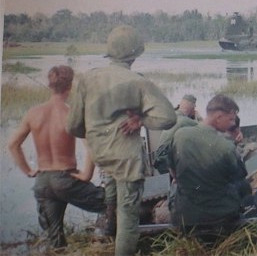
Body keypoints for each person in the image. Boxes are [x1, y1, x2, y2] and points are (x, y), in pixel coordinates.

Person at [66, 25, 177, 256]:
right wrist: (142, 120)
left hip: (100, 155)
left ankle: (108, 234)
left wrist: (98, 133)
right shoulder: (138, 81)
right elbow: (168, 118)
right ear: (135, 54)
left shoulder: (87, 79)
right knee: (128, 215)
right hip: (126, 160)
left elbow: (74, 126)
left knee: (111, 193)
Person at [8, 65, 106, 249]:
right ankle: (110, 239)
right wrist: (86, 175)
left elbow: (13, 145)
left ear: (50, 85)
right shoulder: (71, 114)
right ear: (70, 86)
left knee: (55, 240)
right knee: (110, 203)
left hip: (43, 181)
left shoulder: (33, 113)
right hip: (66, 179)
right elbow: (91, 147)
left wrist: (28, 171)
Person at [169, 94, 245, 231]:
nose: (233, 124)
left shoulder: (180, 135)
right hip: (220, 218)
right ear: (219, 117)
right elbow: (239, 178)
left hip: (184, 217)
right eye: (231, 119)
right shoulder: (227, 147)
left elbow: (172, 169)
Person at [154, 94, 199, 174]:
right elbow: (204, 129)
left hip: (160, 160)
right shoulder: (183, 121)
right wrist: (198, 117)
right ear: (192, 108)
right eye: (194, 108)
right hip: (166, 163)